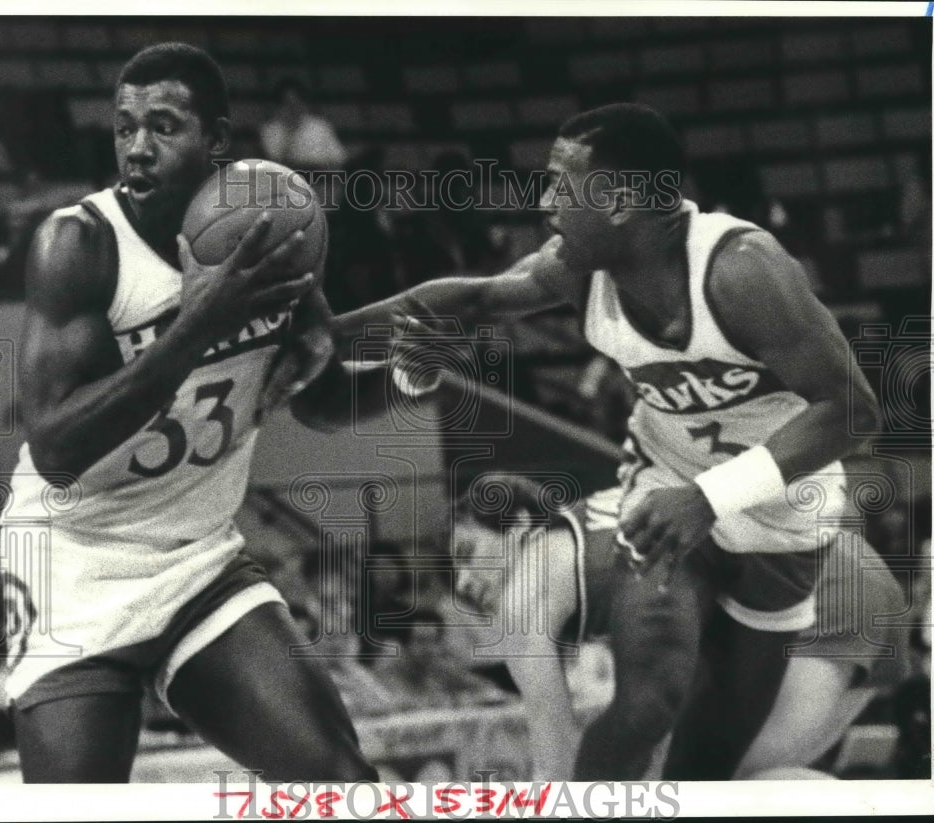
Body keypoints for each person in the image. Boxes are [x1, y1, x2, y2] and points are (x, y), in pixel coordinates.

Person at [334, 103, 882, 779]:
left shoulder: (741, 270)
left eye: (564, 183)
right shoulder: (575, 266)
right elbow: (473, 299)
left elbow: (853, 410)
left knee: (707, 765)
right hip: (662, 500)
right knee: (650, 697)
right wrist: (320, 337)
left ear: (621, 201)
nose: (545, 200)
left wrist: (709, 497)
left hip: (781, 513)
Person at [1, 42, 399, 783]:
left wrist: (415, 372)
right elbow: (55, 448)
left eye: (163, 126)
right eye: (125, 128)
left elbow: (316, 399)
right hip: (73, 558)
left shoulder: (270, 234)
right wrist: (195, 328)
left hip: (196, 558)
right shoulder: (78, 244)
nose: (138, 148)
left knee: (341, 782)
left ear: (217, 141)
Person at [450, 474, 910, 780]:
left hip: (818, 585)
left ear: (517, 526)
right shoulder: (590, 540)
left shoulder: (526, 594)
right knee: (751, 783)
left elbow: (556, 761)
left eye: (467, 553)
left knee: (719, 787)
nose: (464, 582)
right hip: (840, 574)